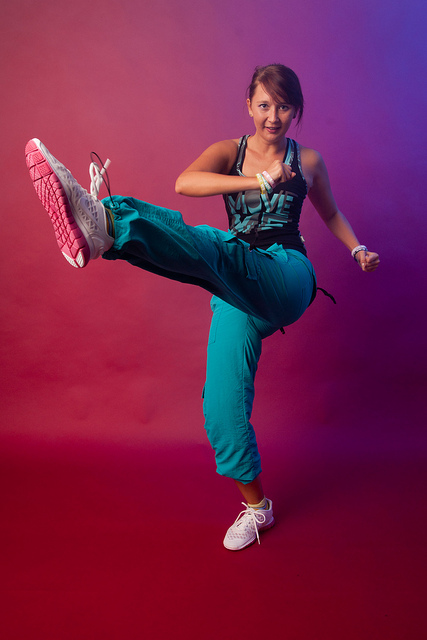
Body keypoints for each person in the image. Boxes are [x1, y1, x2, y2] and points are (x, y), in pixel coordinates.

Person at [25, 64, 380, 551]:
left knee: (215, 246)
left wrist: (357, 248)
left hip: (286, 273)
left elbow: (332, 212)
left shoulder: (309, 160)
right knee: (220, 410)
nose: (272, 116)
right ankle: (258, 509)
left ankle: (107, 219)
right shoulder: (230, 152)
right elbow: (185, 183)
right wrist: (258, 179)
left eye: (283, 107)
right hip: (235, 281)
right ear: (248, 105)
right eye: (264, 105)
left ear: (296, 110)